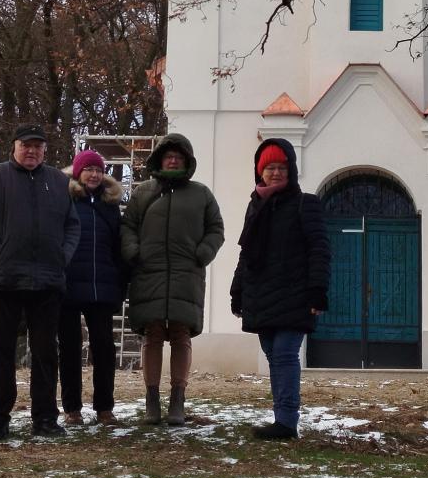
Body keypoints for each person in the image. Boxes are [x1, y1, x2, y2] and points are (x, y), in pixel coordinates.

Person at [0, 123, 80, 439]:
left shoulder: (59, 182)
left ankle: (45, 419)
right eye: (25, 145)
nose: (31, 151)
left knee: (46, 353)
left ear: (44, 150)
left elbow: (72, 226)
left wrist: (62, 256)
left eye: (37, 146)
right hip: (2, 281)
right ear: (14, 147)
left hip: (47, 281)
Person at [230, 138, 330, 440]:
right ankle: (281, 418)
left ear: (291, 170)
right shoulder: (255, 206)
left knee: (285, 354)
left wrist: (317, 290)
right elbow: (246, 252)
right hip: (261, 294)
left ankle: (286, 421)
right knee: (273, 354)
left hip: (294, 293)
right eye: (269, 168)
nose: (275, 173)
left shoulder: (305, 204)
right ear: (260, 172)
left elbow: (319, 249)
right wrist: (237, 290)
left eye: (281, 168)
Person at [122, 133, 224, 426]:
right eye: (168, 156)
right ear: (159, 159)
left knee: (181, 335)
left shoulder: (201, 194)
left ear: (187, 161)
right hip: (149, 273)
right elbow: (127, 226)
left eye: (179, 156)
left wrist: (202, 253)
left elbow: (216, 229)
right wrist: (133, 251)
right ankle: (152, 400)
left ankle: (178, 399)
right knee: (152, 334)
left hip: (186, 274)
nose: (173, 160)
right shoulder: (143, 193)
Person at [58, 149, 125, 425]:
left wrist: (119, 281)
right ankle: (72, 408)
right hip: (68, 285)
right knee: (69, 349)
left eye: (98, 170)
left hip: (102, 287)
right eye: (89, 169)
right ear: (78, 172)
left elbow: (118, 245)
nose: (94, 175)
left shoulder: (110, 205)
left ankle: (105, 408)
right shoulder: (64, 199)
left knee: (104, 348)